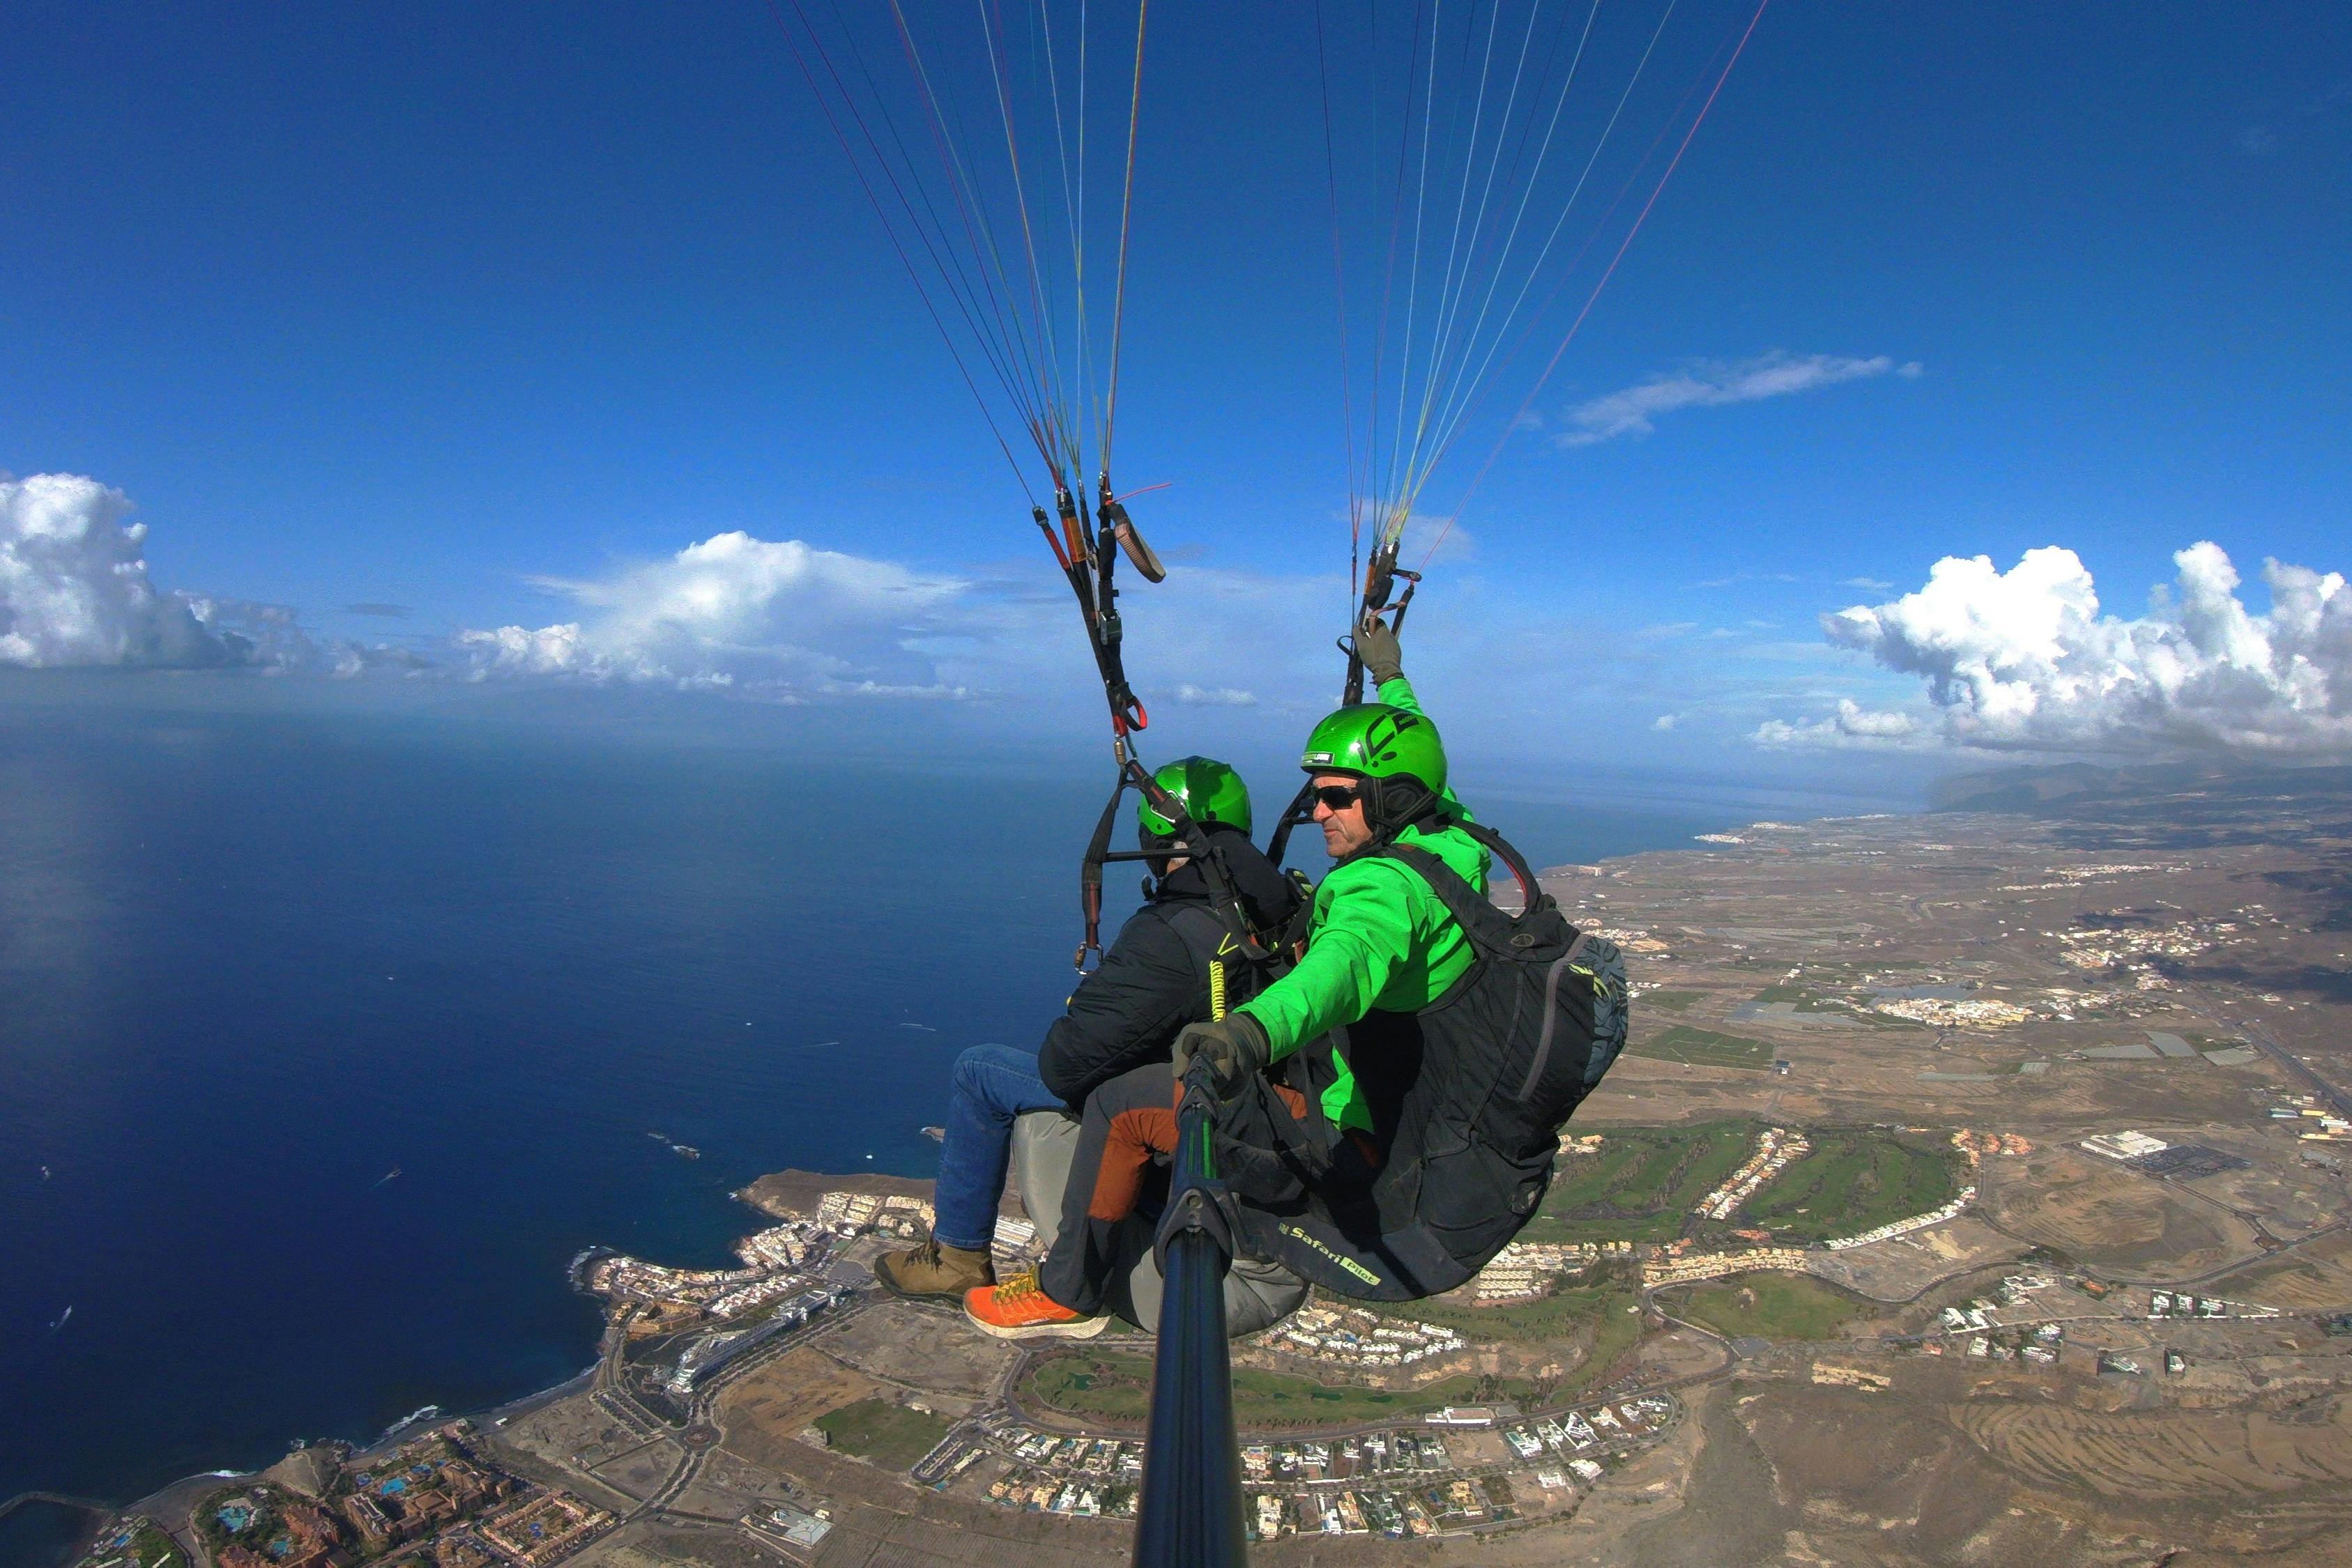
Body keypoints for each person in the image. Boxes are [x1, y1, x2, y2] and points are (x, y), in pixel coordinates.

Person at [970, 616, 1490, 1333]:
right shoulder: (1452, 841)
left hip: (1347, 1135)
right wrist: (1388, 675)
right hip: (1405, 1113)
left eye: (1337, 797)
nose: (1315, 811)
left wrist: (1245, 1033)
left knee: (1122, 1102)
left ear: (1390, 799)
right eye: (1318, 793)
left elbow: (1336, 973)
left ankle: (1069, 1291)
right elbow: (1422, 755)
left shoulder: (1381, 891)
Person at [874, 756, 1298, 1310]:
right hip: (1262, 1103)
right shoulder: (1277, 903)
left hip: (1196, 1106)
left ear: (1155, 840)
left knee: (979, 1071)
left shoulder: (1174, 933)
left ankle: (957, 1256)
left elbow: (1065, 1065)